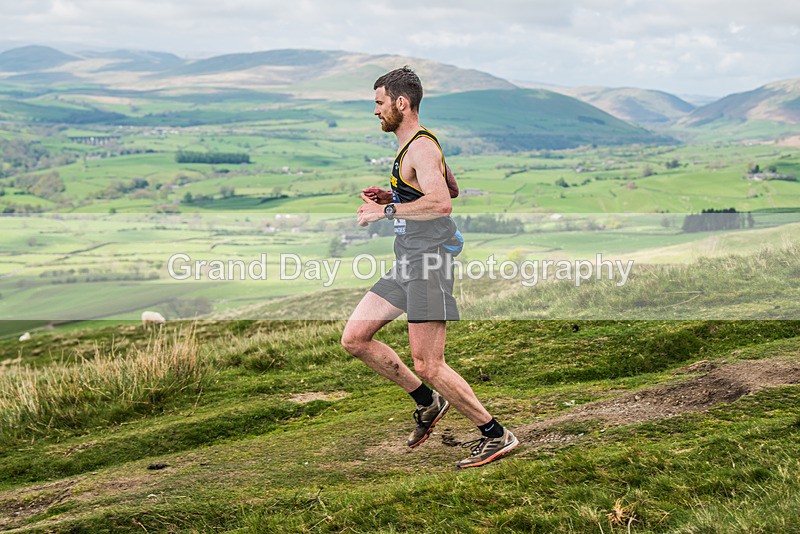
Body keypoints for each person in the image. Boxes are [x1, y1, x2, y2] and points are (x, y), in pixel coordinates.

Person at [341, 67, 519, 468]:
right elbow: (446, 187)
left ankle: (496, 434)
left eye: (379, 103)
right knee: (355, 338)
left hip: (428, 264)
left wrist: (385, 209)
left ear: (401, 103)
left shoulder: (420, 148)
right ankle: (427, 400)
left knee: (429, 363)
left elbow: (442, 204)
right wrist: (397, 193)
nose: (376, 112)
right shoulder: (419, 146)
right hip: (408, 261)